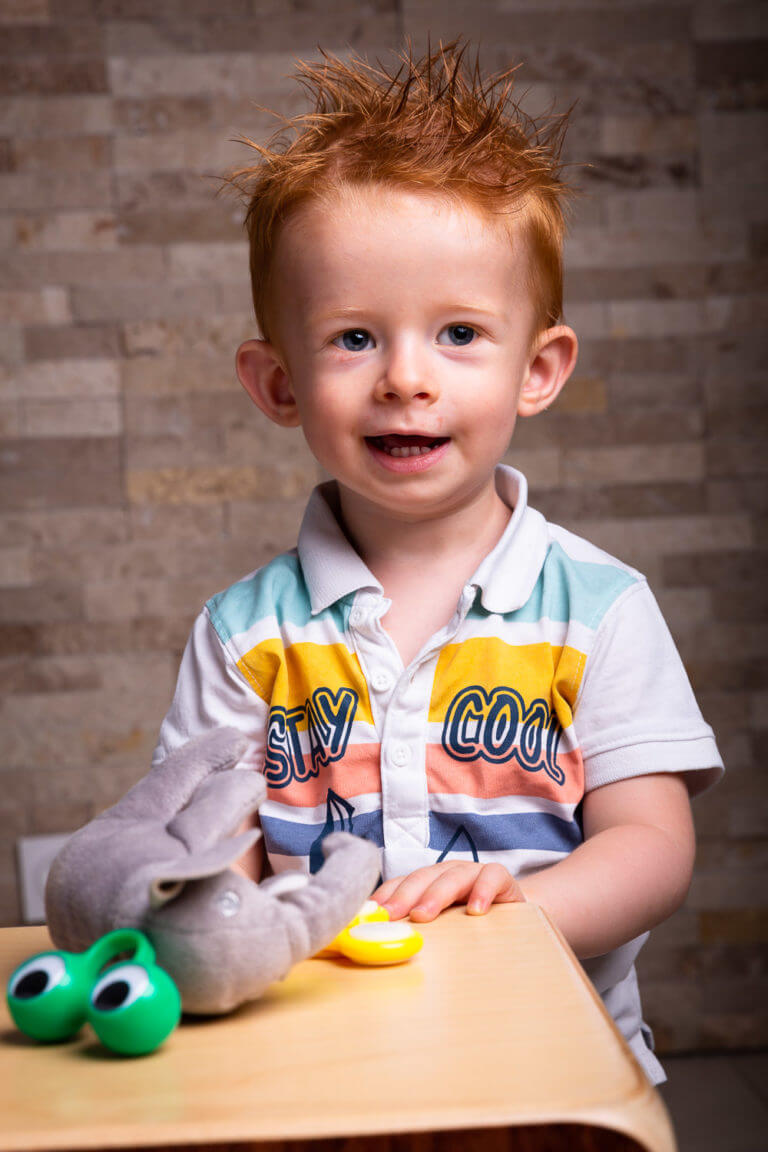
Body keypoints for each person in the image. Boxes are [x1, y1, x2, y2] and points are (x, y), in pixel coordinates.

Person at [152, 44, 723, 1082]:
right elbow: (212, 853)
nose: (407, 379)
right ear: (279, 384)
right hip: (320, 1062)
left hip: (551, 1062)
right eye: (354, 338)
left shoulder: (596, 610)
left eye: (459, 333)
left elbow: (652, 845)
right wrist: (221, 927)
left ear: (537, 369)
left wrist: (519, 907)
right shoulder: (243, 636)